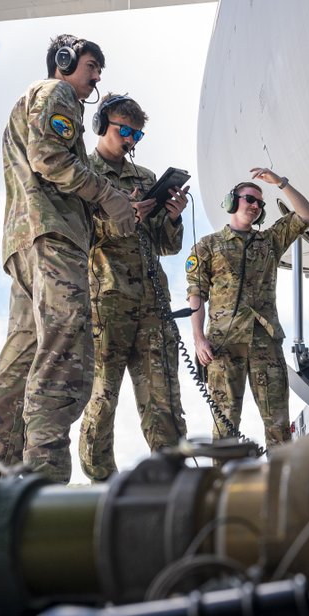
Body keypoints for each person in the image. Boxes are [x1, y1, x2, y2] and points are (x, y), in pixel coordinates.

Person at [0, 35, 139, 484]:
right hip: (51, 238)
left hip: (29, 241)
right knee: (65, 350)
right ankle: (44, 482)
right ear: (65, 62)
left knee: (23, 356)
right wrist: (108, 195)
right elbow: (49, 159)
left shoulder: (49, 100)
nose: (97, 77)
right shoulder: (56, 93)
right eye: (91, 66)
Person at [78, 93, 190, 482]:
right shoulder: (82, 173)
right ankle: (101, 483)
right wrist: (123, 215)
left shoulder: (144, 177)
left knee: (163, 398)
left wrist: (171, 218)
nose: (130, 141)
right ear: (101, 125)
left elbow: (165, 245)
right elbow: (80, 235)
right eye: (124, 131)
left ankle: (172, 482)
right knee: (103, 396)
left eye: (137, 135)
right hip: (106, 304)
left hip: (152, 305)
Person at [185, 169, 309, 446]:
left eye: (260, 203)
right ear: (232, 202)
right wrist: (198, 339)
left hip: (264, 343)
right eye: (249, 199)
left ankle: (282, 485)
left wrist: (281, 183)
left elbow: (307, 215)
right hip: (222, 345)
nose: (255, 206)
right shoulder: (207, 247)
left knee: (278, 423)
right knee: (225, 426)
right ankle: (223, 486)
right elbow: (196, 295)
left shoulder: (269, 242)